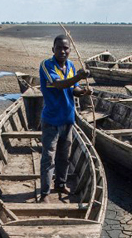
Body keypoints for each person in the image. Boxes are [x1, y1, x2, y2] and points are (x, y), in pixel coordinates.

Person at [38, 34, 92, 203]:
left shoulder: (70, 65)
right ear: (52, 49)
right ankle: (45, 193)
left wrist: (83, 92)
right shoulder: (46, 65)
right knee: (48, 157)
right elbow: (59, 84)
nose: (63, 51)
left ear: (69, 50)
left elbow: (73, 88)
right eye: (59, 48)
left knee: (64, 156)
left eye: (66, 48)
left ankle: (60, 184)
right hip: (51, 121)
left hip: (68, 120)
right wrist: (79, 77)